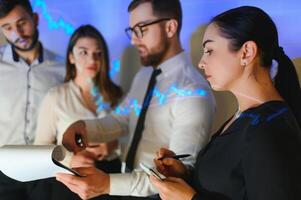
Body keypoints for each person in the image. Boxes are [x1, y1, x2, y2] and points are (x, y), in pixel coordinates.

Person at [56, 0, 215, 199]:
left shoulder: (193, 91)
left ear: (170, 27)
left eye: (141, 29)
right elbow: (121, 119)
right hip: (125, 187)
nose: (133, 40)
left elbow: (179, 175)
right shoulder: (143, 76)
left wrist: (107, 184)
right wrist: (84, 127)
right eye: (131, 31)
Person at [150, 6, 301, 200]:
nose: (201, 62)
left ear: (246, 52)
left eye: (209, 50)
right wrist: (185, 176)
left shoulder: (268, 129)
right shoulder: (245, 117)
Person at [29, 25, 123, 200]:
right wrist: (69, 160)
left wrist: (114, 146)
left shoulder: (117, 96)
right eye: (83, 52)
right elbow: (40, 148)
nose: (92, 59)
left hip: (111, 181)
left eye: (98, 53)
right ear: (71, 57)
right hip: (69, 183)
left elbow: (131, 139)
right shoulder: (55, 96)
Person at [0, 0, 65, 199]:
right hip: (3, 171)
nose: (17, 34)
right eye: (7, 27)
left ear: (35, 19)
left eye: (22, 23)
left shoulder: (63, 68)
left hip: (47, 170)